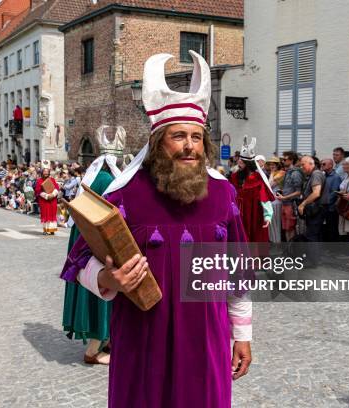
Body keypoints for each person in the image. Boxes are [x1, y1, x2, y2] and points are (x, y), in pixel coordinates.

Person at [61, 51, 252, 408]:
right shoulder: (123, 194)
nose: (190, 146)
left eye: (196, 137)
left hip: (206, 339)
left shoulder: (223, 194)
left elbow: (238, 271)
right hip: (141, 339)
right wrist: (108, 280)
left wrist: (242, 334)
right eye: (179, 136)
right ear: (158, 143)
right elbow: (79, 260)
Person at [63, 147, 121, 365]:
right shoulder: (107, 179)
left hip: (84, 243)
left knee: (96, 291)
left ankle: (107, 341)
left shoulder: (92, 179)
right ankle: (93, 349)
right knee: (103, 292)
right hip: (99, 245)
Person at [229, 138, 273, 242]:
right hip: (238, 214)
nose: (239, 163)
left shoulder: (258, 178)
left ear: (249, 165)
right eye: (239, 161)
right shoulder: (235, 176)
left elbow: (264, 198)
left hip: (254, 214)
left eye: (242, 162)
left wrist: (267, 215)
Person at [297, 156, 325, 266]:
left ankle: (312, 261)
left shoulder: (316, 174)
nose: (301, 167)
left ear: (311, 163)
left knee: (311, 235)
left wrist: (303, 204)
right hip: (315, 209)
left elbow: (316, 193)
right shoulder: (313, 174)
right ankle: (315, 259)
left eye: (303, 164)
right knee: (314, 235)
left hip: (316, 209)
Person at [276, 151, 303, 242]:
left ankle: (293, 251)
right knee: (287, 229)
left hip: (291, 204)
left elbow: (298, 192)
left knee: (291, 228)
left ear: (291, 161)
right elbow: (289, 188)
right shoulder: (288, 172)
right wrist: (282, 193)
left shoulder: (295, 173)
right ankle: (289, 250)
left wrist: (285, 197)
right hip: (285, 203)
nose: (282, 161)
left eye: (284, 159)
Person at [320, 158, 342, 242]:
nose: (322, 165)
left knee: (332, 228)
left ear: (330, 165)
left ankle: (333, 249)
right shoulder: (323, 175)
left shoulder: (335, 177)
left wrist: (324, 201)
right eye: (321, 164)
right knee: (325, 228)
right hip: (323, 207)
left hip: (331, 208)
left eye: (324, 164)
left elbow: (334, 192)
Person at [35, 166, 59, 235]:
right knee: (45, 214)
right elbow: (37, 191)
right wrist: (46, 196)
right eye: (44, 172)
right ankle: (45, 230)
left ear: (49, 173)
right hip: (44, 200)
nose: (45, 173)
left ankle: (52, 229)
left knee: (52, 214)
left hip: (52, 200)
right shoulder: (39, 181)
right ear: (42, 172)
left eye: (47, 172)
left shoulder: (52, 179)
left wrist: (53, 194)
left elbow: (56, 188)